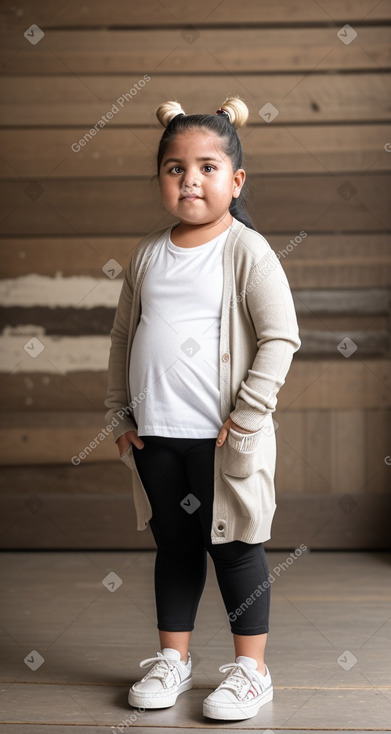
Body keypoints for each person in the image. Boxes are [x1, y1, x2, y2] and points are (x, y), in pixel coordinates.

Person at [104, 96, 301, 721]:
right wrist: (120, 412)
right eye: (174, 168)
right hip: (157, 434)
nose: (190, 179)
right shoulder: (146, 254)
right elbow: (122, 338)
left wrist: (247, 414)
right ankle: (174, 660)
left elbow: (280, 337)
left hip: (224, 439)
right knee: (176, 546)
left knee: (237, 547)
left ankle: (251, 671)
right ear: (160, 178)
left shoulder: (248, 251)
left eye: (207, 167)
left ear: (235, 180)